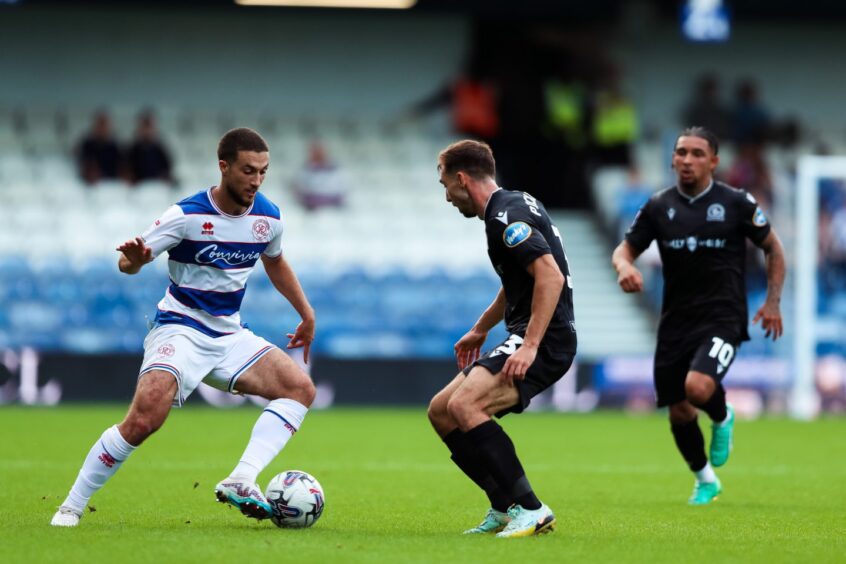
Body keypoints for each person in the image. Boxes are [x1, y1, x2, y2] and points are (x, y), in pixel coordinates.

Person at [51, 128, 317, 527]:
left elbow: (275, 261)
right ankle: (70, 506)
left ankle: (242, 478)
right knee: (143, 421)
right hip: (179, 330)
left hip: (229, 335)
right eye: (248, 170)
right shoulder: (186, 215)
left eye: (263, 171)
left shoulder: (268, 217)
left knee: (299, 389)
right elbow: (129, 262)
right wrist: (137, 261)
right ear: (223, 166)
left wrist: (305, 312)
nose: (256, 180)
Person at [611, 127, 785, 505]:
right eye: (681, 152)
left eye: (696, 153)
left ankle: (722, 418)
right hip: (675, 320)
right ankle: (706, 480)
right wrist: (625, 268)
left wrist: (772, 302)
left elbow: (773, 248)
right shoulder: (658, 206)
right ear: (672, 158)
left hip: (723, 314)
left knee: (698, 388)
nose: (686, 160)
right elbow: (623, 250)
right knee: (679, 411)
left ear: (714, 161)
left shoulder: (736, 202)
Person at [427, 140, 577, 538]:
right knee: (441, 410)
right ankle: (503, 506)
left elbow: (550, 276)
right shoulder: (514, 203)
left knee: (466, 404)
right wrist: (481, 327)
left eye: (445, 185)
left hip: (545, 339)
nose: (446, 197)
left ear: (462, 178)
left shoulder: (504, 218)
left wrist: (529, 345)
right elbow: (519, 280)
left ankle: (532, 509)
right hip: (527, 331)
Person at [127, 110, 175, 186]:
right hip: (139, 187)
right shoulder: (133, 150)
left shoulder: (160, 149)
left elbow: (167, 169)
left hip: (157, 186)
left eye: (149, 127)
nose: (147, 131)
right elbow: (127, 171)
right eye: (145, 126)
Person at [77, 110, 122, 185]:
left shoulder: (114, 147)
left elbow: (120, 169)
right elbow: (83, 165)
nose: (102, 128)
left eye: (104, 125)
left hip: (110, 184)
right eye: (100, 124)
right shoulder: (87, 145)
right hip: (90, 184)